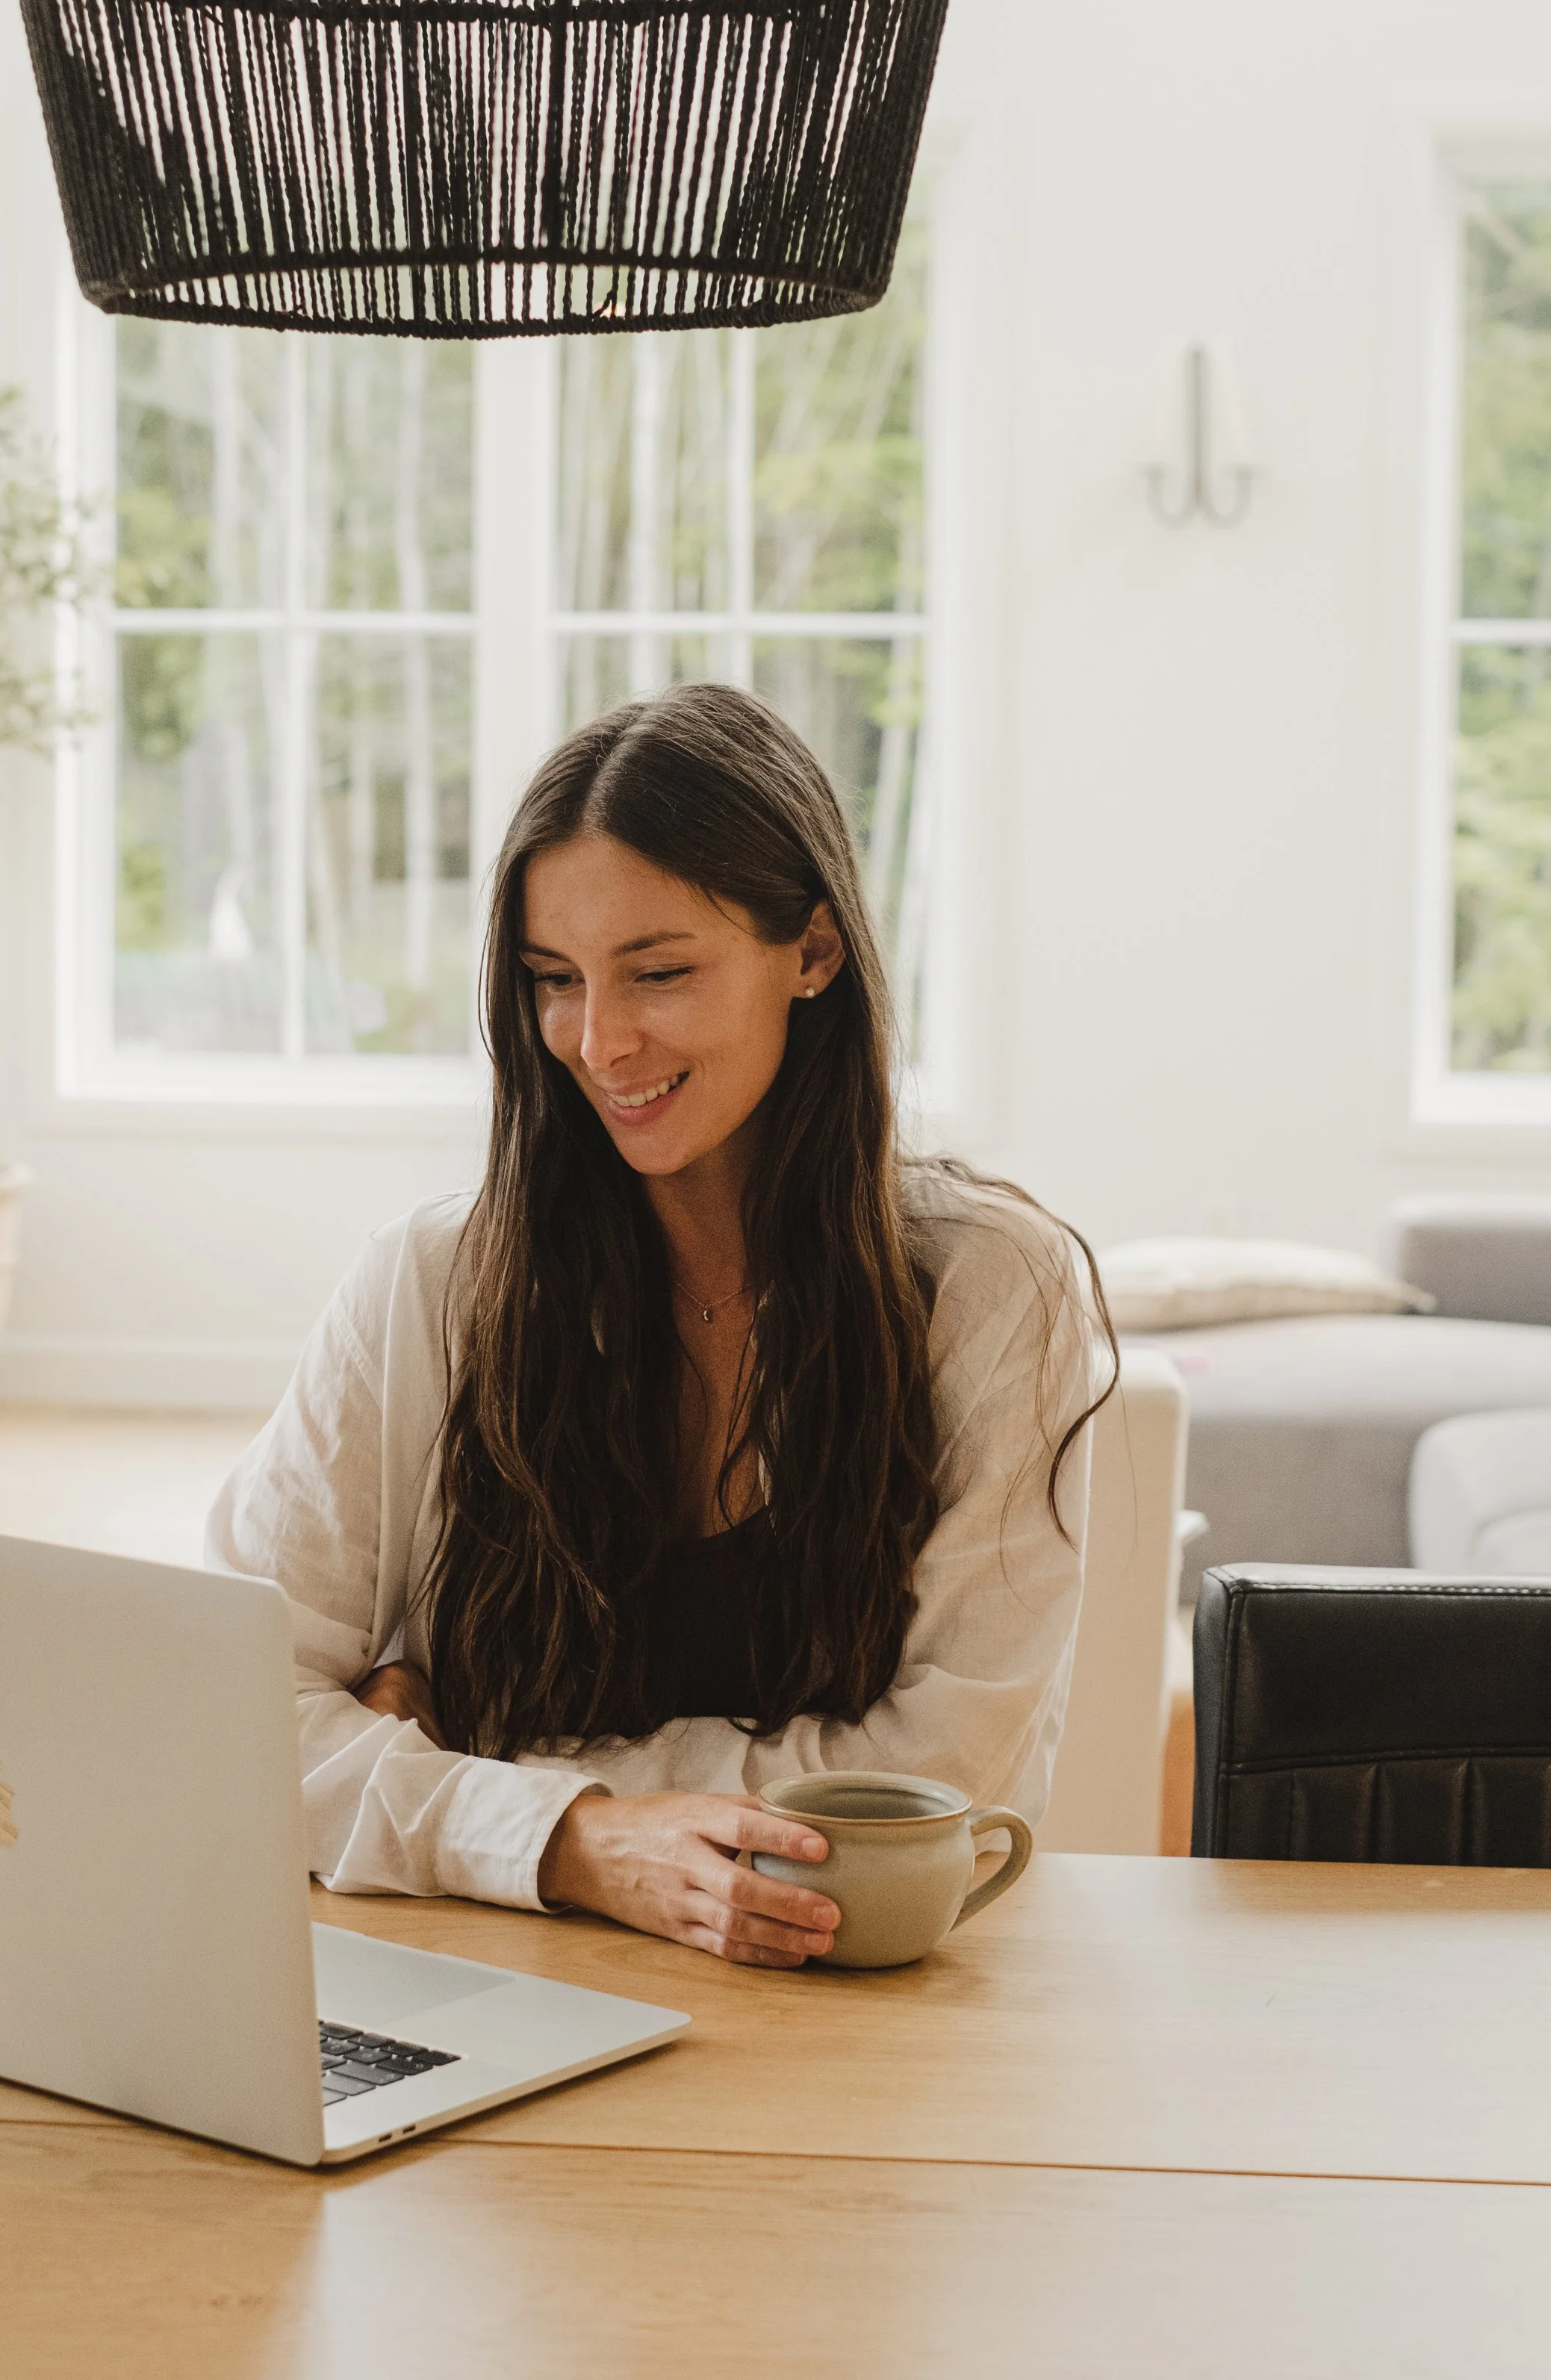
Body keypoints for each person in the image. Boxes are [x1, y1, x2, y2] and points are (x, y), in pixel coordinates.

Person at [208, 685, 1114, 1969]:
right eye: (551, 981)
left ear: (812, 951)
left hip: (852, 2029)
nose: (597, 1039)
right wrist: (576, 1841)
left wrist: (468, 1761)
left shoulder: (993, 1290)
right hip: (494, 1994)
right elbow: (226, 1711)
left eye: (661, 972)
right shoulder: (428, 1283)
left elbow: (941, 1794)